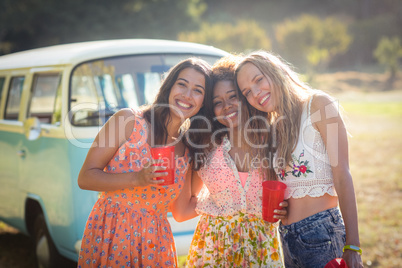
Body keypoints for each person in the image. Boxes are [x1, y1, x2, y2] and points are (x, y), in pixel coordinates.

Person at [77, 57, 213, 267]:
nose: (187, 95)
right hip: (112, 230)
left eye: (197, 90)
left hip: (155, 243)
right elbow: (85, 177)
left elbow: (181, 211)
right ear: (169, 86)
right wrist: (136, 178)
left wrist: (225, 199)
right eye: (182, 84)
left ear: (203, 102)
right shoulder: (128, 121)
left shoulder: (187, 149)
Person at [234, 51, 364, 268]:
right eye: (247, 92)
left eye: (258, 80)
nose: (256, 93)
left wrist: (353, 245)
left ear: (275, 71)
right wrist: (283, 206)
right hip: (286, 238)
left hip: (322, 234)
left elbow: (343, 174)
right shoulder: (274, 126)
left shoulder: (319, 104)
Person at [171, 55, 286, 268]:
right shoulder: (205, 147)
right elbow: (181, 211)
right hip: (213, 251)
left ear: (246, 97)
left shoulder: (274, 142)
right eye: (217, 102)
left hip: (262, 252)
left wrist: (287, 208)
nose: (226, 106)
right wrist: (217, 205)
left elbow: (291, 195)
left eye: (233, 97)